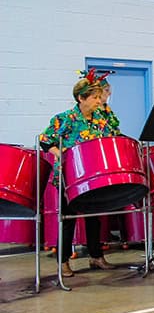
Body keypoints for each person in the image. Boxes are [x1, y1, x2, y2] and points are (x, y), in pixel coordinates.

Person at [39, 69, 119, 277]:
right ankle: (63, 262)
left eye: (99, 97)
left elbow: (114, 136)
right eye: (94, 97)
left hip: (94, 175)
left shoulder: (102, 118)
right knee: (68, 220)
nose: (98, 100)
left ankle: (96, 257)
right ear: (81, 98)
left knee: (94, 218)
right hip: (70, 177)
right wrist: (60, 154)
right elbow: (45, 141)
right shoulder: (64, 119)